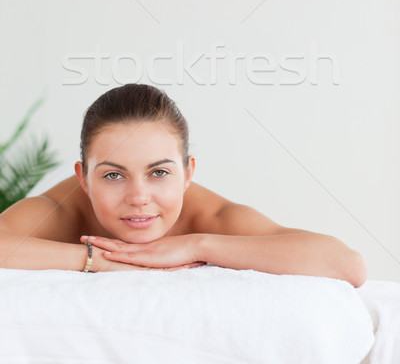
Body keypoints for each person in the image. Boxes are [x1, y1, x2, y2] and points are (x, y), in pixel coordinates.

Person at [0, 84, 367, 287]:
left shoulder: (211, 216)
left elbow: (346, 263)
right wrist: (98, 261)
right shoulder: (64, 208)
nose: (139, 198)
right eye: (113, 175)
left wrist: (195, 245)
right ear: (83, 178)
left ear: (188, 172)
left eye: (159, 172)